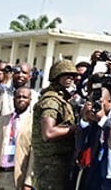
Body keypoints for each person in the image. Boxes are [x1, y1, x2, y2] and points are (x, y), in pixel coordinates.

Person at [30, 60, 79, 190]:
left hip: (58, 162)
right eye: (65, 75)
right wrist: (76, 128)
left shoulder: (61, 98)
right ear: (56, 76)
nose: (70, 78)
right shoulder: (51, 101)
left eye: (72, 76)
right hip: (51, 165)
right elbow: (48, 133)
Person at [0, 86, 32, 190]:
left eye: (25, 97)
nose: (21, 99)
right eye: (18, 97)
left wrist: (28, 182)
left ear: (30, 100)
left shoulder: (34, 123)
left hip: (15, 177)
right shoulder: (1, 121)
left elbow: (33, 156)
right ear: (14, 99)